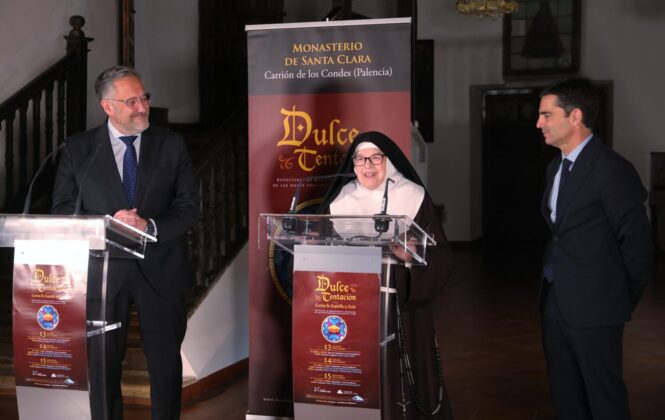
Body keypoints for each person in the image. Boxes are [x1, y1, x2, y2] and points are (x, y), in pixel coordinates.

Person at [51, 66, 200, 419]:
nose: (141, 107)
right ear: (108, 107)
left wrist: (148, 224)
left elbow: (189, 207)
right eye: (131, 101)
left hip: (161, 269)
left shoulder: (171, 144)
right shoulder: (78, 149)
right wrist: (105, 225)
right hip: (103, 273)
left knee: (164, 365)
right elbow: (61, 208)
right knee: (102, 365)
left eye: (143, 98)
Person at [536, 78, 653, 419]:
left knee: (604, 398)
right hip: (555, 303)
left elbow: (638, 247)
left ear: (575, 117)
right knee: (566, 394)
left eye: (546, 114)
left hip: (598, 307)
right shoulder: (554, 167)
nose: (538, 123)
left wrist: (617, 298)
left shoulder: (613, 171)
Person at [318, 131, 454, 420]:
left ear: (388, 161)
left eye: (375, 158)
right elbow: (318, 252)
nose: (367, 165)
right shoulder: (339, 201)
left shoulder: (413, 196)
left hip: (401, 310)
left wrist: (413, 256)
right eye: (360, 159)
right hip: (349, 306)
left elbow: (442, 254)